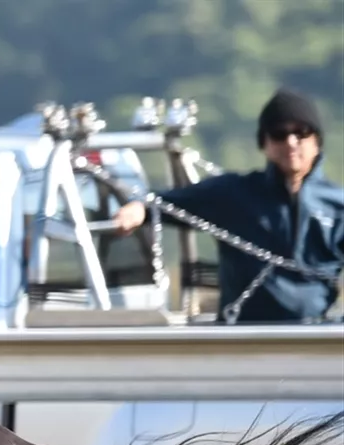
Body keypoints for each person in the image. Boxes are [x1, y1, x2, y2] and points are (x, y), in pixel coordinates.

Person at [113, 88, 343, 324]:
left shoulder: (338, 204)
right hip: (244, 334)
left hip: (315, 334)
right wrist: (139, 209)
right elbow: (168, 203)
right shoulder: (234, 193)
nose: (291, 142)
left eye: (301, 132)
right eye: (279, 134)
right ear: (264, 143)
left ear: (317, 140)